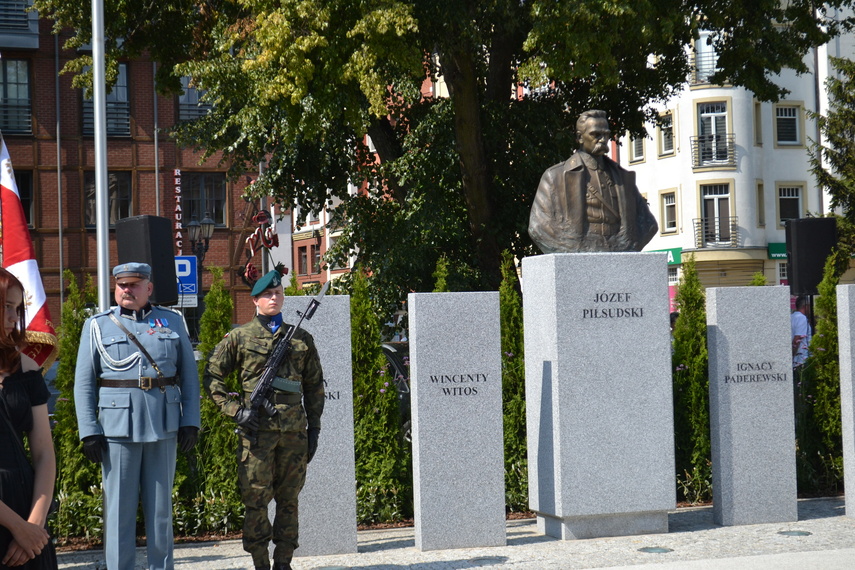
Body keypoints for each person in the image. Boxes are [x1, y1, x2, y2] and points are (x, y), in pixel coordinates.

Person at [74, 262, 200, 570]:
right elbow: (84, 382)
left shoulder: (171, 322)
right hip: (118, 428)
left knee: (161, 511)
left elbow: (189, 377)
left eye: (133, 284)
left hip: (163, 424)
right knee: (119, 509)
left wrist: (190, 421)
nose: (126, 290)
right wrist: (89, 430)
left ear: (149, 288)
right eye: (121, 285)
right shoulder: (98, 325)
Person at [203, 270, 324, 570]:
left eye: (279, 293)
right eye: (268, 295)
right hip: (256, 435)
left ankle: (283, 562)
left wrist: (315, 428)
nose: (274, 298)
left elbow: (315, 385)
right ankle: (260, 563)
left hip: (294, 433)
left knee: (289, 500)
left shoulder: (301, 338)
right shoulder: (240, 337)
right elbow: (212, 377)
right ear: (255, 299)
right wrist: (236, 411)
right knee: (256, 501)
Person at [529, 109, 658, 253]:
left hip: (619, 248)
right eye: (596, 134)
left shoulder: (623, 178)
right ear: (580, 137)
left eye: (606, 134)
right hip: (578, 249)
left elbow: (648, 225)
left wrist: (627, 243)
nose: (602, 139)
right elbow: (538, 227)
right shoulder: (555, 177)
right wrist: (573, 247)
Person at [0, 268, 57, 570]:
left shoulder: (26, 366)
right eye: (6, 306)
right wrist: (17, 528)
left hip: (26, 501)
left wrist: (34, 525)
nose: (14, 317)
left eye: (18, 308)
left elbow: (45, 453)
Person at [791, 295, 811, 369]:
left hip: (795, 359)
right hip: (801, 359)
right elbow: (797, 338)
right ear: (805, 306)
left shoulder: (792, 316)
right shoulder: (802, 318)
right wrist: (792, 356)